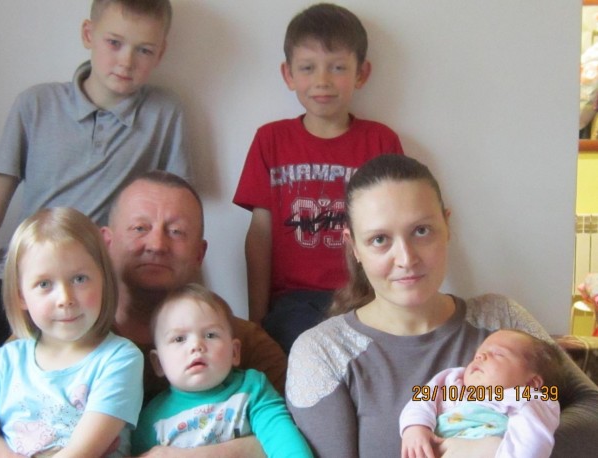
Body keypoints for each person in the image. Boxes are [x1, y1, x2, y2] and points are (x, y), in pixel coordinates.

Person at [286, 154, 598, 457]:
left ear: (446, 226)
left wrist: (496, 450)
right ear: (354, 246)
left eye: (421, 231)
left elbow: (591, 410)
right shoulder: (322, 352)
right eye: (379, 239)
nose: (406, 259)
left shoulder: (500, 319)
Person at [0, 172, 286, 458]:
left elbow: (301, 431)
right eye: (140, 228)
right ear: (106, 243)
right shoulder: (44, 337)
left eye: (176, 232)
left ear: (200, 252)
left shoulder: (240, 340)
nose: (156, 245)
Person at [0, 0, 190, 312]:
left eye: (144, 50)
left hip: (95, 287)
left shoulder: (164, 113)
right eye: (114, 43)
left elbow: (178, 212)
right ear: (88, 34)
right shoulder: (36, 104)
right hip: (22, 278)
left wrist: (186, 296)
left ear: (160, 52)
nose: (126, 62)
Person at [233, 3, 404, 353]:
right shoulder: (270, 140)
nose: (322, 81)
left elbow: (396, 231)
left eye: (337, 67)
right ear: (288, 74)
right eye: (308, 68)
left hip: (364, 296)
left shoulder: (381, 142)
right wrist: (255, 322)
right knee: (307, 357)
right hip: (293, 303)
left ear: (361, 73)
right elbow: (260, 236)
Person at [0, 207, 143, 457]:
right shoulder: (3, 362)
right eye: (44, 284)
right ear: (21, 296)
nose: (65, 298)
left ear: (104, 280)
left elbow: (80, 453)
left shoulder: (120, 358)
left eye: (79, 279)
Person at [132, 283, 313, 457]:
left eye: (210, 335)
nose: (196, 345)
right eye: (179, 339)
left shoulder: (252, 389)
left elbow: (283, 440)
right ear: (158, 363)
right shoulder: (151, 420)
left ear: (234, 352)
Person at [400, 329, 562, 458]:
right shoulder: (452, 379)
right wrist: (415, 429)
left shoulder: (528, 398)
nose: (480, 356)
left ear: (531, 383)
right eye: (478, 354)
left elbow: (532, 442)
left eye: (498, 354)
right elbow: (421, 401)